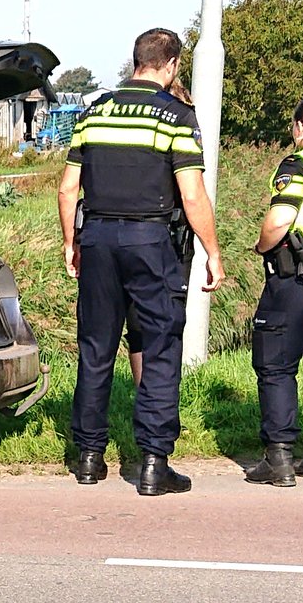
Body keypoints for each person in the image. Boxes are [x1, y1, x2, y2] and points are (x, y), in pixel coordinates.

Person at [58, 27, 225, 496]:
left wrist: (72, 242)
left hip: (97, 240)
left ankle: (89, 457)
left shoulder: (95, 111)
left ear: (136, 61)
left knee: (95, 349)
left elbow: (68, 188)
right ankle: (153, 463)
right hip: (151, 242)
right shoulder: (175, 115)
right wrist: (213, 252)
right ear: (171, 65)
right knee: (159, 347)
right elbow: (191, 194)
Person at [246, 95, 303, 487]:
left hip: (300, 272)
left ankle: (279, 457)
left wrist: (262, 245)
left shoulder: (299, 164)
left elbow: (281, 217)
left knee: (275, 361)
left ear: (300, 126)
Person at [125, 78, 196, 387]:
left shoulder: (132, 134)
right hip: (170, 241)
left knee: (139, 326)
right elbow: (191, 194)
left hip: (129, 239)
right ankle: (162, 399)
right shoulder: (178, 131)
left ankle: (147, 395)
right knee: (166, 323)